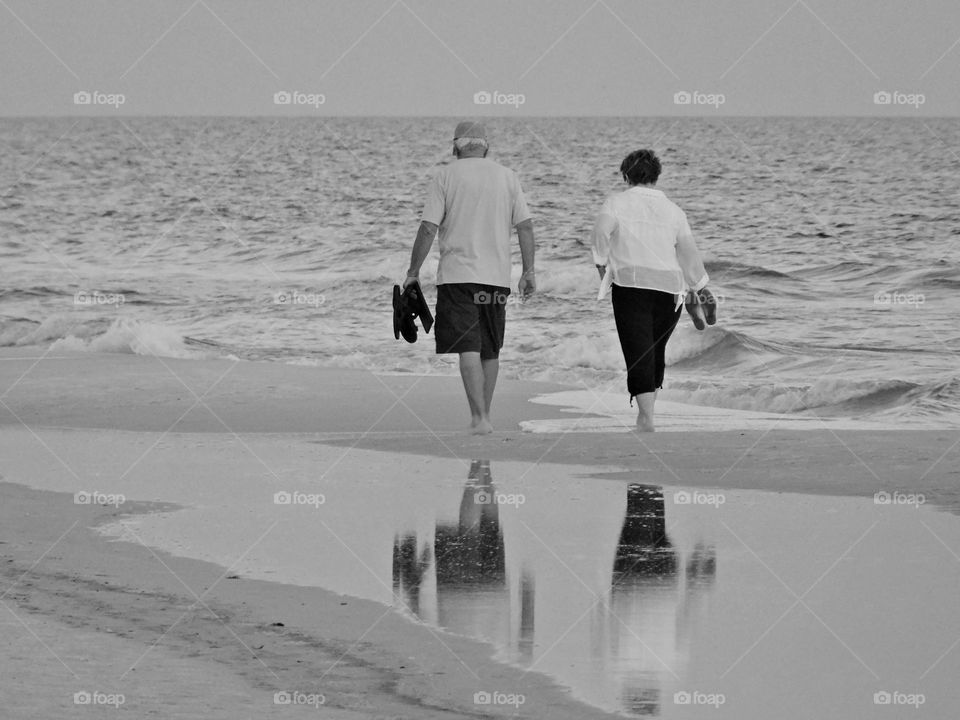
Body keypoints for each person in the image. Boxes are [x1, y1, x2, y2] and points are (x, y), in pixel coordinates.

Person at [404, 121, 535, 434]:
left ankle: (479, 419)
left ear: (454, 147)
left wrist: (412, 272)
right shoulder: (507, 176)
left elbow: (428, 228)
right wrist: (529, 271)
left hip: (458, 278)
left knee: (469, 348)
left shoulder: (444, 176)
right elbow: (526, 226)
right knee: (490, 349)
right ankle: (483, 417)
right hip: (496, 279)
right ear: (486, 146)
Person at [591, 149, 711, 432]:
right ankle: (648, 412)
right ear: (656, 175)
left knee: (638, 350)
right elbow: (688, 252)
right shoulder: (674, 211)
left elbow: (600, 233)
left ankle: (646, 418)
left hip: (632, 286)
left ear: (626, 175)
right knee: (655, 350)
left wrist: (601, 264)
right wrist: (701, 287)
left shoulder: (616, 203)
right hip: (671, 289)